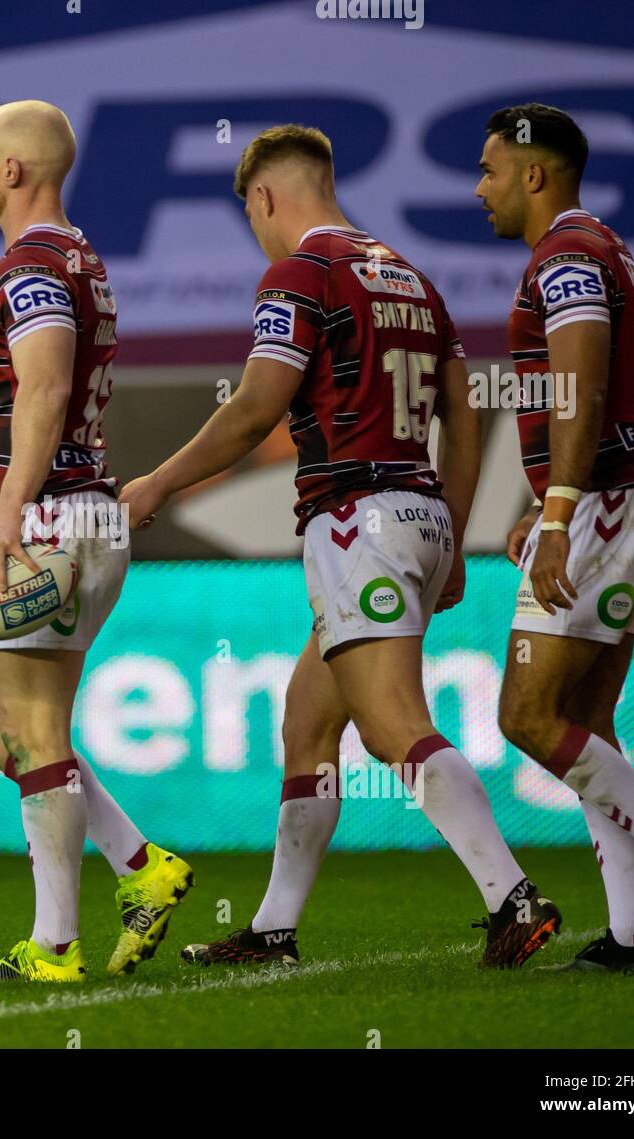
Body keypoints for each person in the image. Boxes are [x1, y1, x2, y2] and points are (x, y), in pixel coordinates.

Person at [122, 123, 559, 970]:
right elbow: (466, 414)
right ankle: (275, 929)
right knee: (307, 721)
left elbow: (256, 407)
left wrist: (158, 483)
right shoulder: (411, 276)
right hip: (419, 515)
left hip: (358, 519)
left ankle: (513, 893)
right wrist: (453, 532)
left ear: (262, 197)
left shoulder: (302, 272)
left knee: (397, 729)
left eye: (248, 212)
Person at [0, 100, 193, 982]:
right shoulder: (66, 258)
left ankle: (54, 945)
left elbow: (46, 389)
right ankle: (142, 865)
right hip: (83, 511)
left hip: (53, 516)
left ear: (15, 170)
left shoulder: (32, 265)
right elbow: (6, 334)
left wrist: (9, 512)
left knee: (33, 733)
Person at [476, 102, 634, 973]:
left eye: (492, 170)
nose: (482, 190)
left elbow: (579, 384)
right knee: (586, 719)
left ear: (536, 173)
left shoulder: (569, 255)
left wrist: (560, 511)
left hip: (607, 504)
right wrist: (547, 498)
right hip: (625, 497)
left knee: (527, 715)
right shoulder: (604, 249)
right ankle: (630, 933)